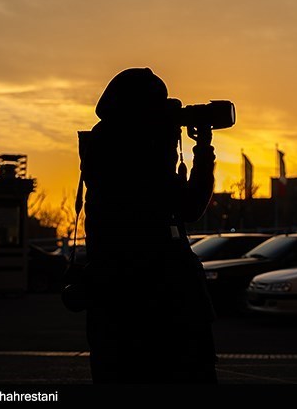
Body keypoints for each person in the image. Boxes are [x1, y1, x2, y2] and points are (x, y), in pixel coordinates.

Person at [81, 67, 217, 384]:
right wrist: (203, 151)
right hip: (159, 309)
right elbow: (189, 206)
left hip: (114, 309)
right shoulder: (135, 155)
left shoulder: (101, 144)